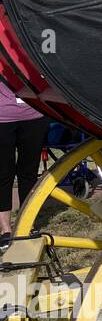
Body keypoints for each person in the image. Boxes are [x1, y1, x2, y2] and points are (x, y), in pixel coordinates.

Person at [0, 82, 49, 242]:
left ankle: (27, 224)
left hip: (34, 116)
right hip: (2, 119)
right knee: (3, 174)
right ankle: (5, 229)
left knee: (28, 173)